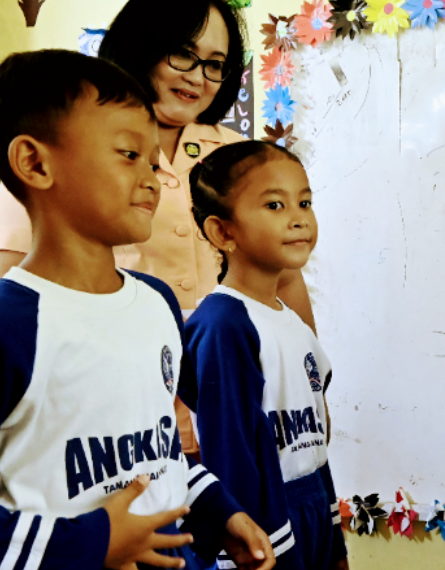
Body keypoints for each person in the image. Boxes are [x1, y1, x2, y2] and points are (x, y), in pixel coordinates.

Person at [0, 0, 316, 459]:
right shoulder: (70, 151)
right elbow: (15, 279)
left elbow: (283, 276)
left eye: (215, 65)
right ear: (141, 47)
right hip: (115, 400)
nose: (198, 77)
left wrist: (308, 382)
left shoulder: (241, 156)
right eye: (183, 54)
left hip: (241, 390)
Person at [0, 50, 273, 570]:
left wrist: (220, 511)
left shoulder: (157, 303)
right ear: (35, 163)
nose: (153, 178)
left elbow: (156, 449)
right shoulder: (11, 322)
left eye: (154, 162)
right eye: (129, 155)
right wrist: (91, 543)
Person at [182, 141, 348, 570]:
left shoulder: (292, 323)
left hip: (312, 509)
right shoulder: (223, 325)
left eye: (304, 202)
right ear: (223, 233)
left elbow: (315, 449)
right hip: (264, 526)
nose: (298, 218)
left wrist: (334, 544)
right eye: (275, 205)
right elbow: (231, 459)